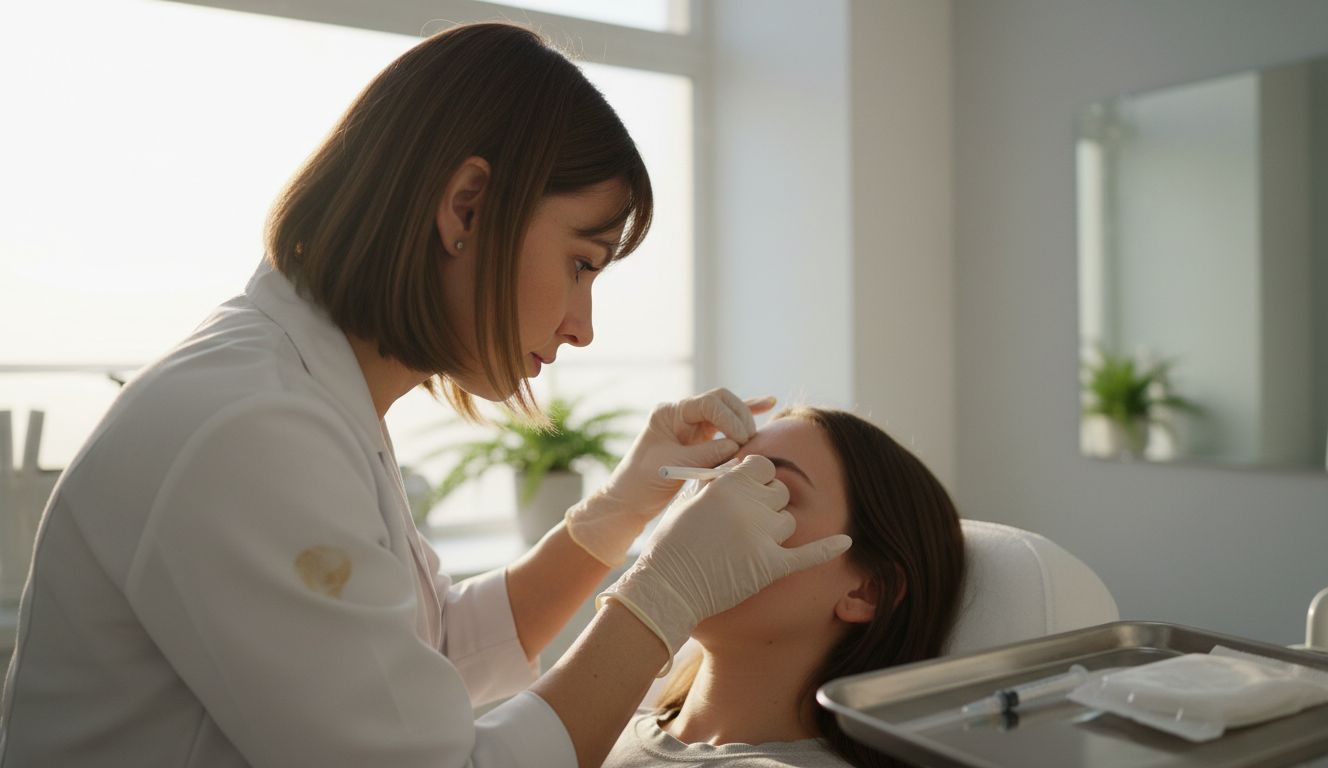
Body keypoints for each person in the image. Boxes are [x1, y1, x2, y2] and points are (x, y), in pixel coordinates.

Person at [0, 23, 851, 768]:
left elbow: (434, 648)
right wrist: (665, 592)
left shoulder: (313, 401)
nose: (582, 326)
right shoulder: (250, 429)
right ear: (467, 205)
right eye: (581, 264)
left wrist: (618, 513)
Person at [601, 407, 968, 768]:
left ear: (867, 592)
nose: (709, 510)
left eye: (770, 490)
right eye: (714, 479)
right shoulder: (598, 729)